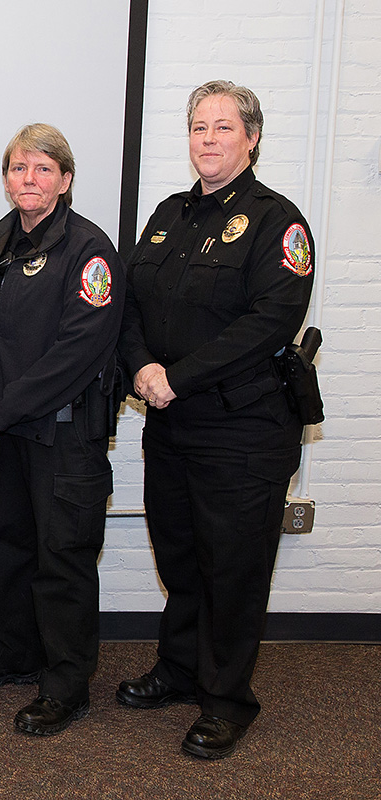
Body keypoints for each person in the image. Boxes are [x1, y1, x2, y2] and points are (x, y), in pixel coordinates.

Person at [118, 80, 315, 759]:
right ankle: (179, 670)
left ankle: (228, 699)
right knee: (180, 553)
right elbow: (131, 303)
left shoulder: (276, 222)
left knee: (232, 565)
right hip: (170, 423)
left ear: (252, 137)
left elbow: (269, 323)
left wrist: (176, 377)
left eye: (223, 128)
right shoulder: (170, 213)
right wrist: (141, 367)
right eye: (199, 126)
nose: (208, 138)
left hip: (242, 428)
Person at [0, 124, 124, 735]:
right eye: (19, 168)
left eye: (44, 169)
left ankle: (66, 684)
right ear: (6, 179)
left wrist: (0, 410)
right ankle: (16, 653)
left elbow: (76, 353)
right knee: (15, 550)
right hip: (7, 434)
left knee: (63, 560)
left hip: (63, 435)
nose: (30, 178)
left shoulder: (88, 250)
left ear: (66, 180)